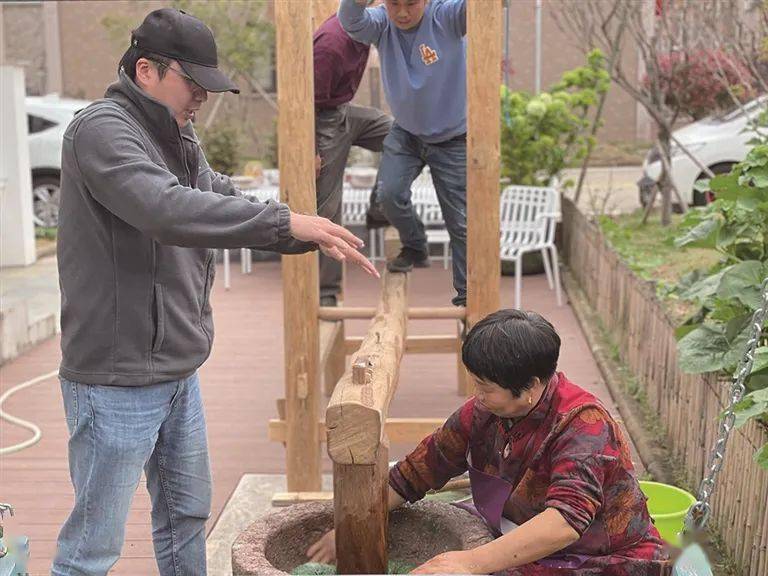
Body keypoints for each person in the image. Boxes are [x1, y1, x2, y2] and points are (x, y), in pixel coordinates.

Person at [53, 8, 377, 575]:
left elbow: (214, 193)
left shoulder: (178, 134)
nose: (204, 95)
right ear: (147, 70)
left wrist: (301, 224)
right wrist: (286, 226)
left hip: (178, 366)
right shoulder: (102, 130)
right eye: (194, 83)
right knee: (93, 547)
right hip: (115, 375)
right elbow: (166, 209)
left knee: (185, 519)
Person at [308, 309, 671, 575]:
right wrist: (353, 526)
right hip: (517, 531)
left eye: (486, 387)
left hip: (598, 557)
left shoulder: (583, 425)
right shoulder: (483, 413)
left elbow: (564, 522)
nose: (476, 395)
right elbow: (419, 470)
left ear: (530, 387)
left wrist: (468, 563)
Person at [339, 0, 468, 307]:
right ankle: (415, 245)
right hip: (407, 132)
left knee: (461, 222)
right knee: (388, 194)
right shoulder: (382, 23)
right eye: (395, 3)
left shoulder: (446, 15)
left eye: (411, 3)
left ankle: (466, 293)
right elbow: (350, 21)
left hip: (453, 138)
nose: (403, 13)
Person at [313, 9, 393, 307]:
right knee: (328, 208)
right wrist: (310, 149)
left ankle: (380, 207)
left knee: (401, 136)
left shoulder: (371, 26)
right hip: (319, 118)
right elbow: (305, 99)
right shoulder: (330, 44)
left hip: (343, 111)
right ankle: (326, 294)